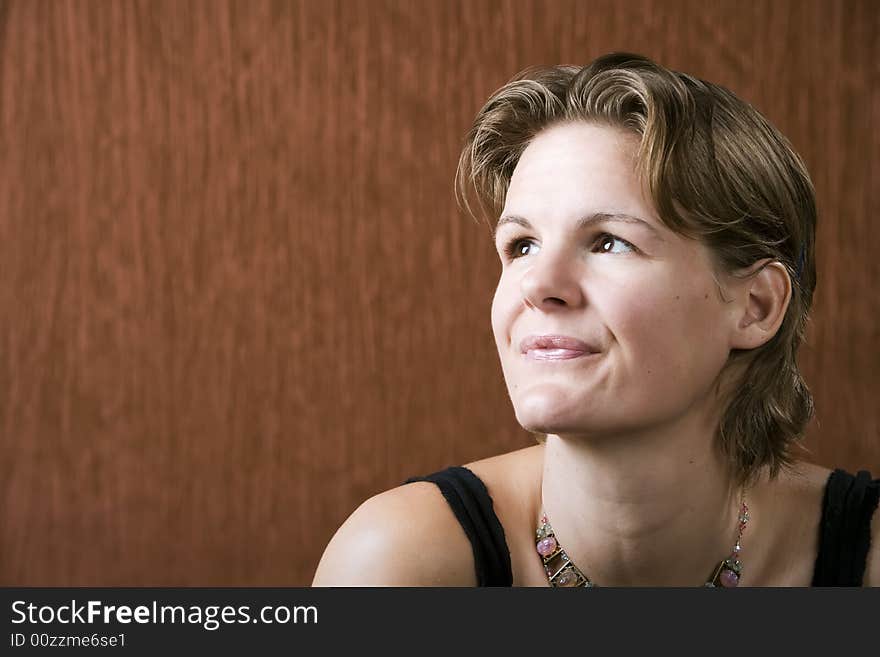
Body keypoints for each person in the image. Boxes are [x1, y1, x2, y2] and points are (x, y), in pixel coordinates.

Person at [312, 52, 879, 587]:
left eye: (609, 242)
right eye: (522, 245)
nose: (538, 285)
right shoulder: (395, 566)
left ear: (756, 306)